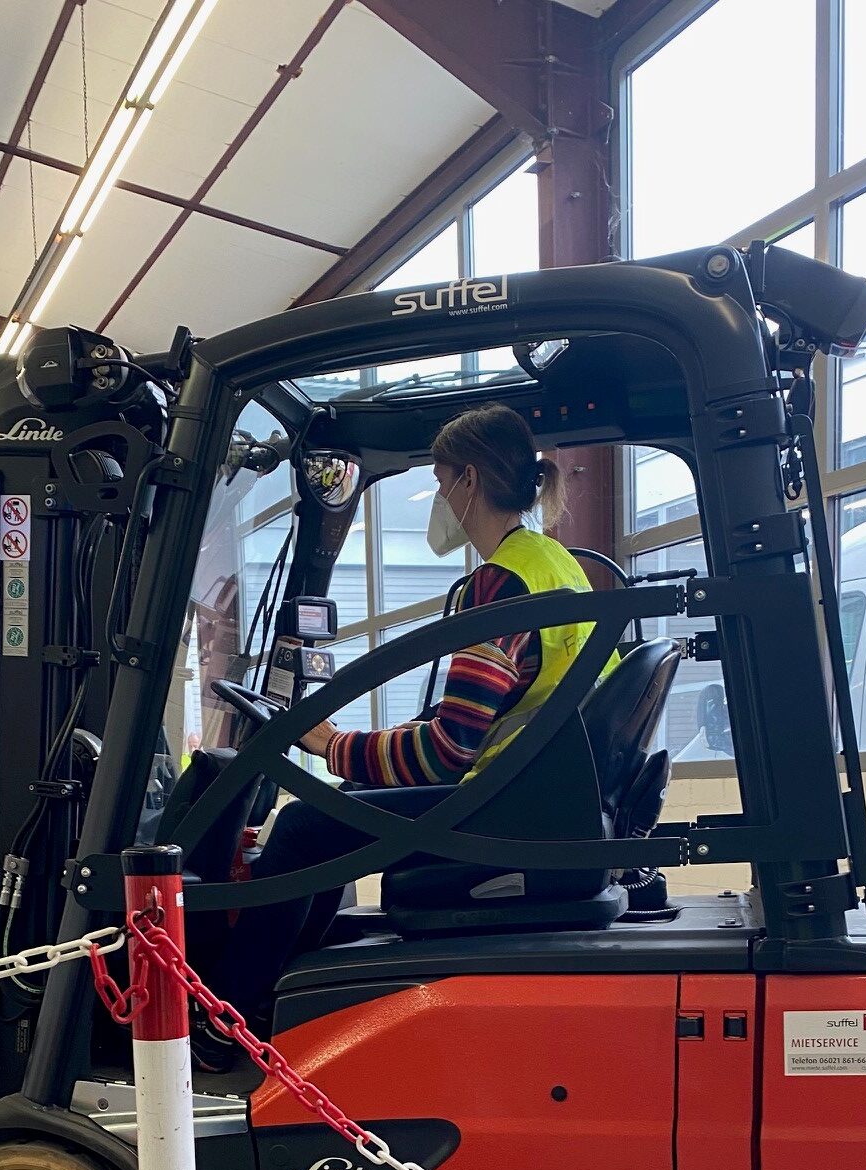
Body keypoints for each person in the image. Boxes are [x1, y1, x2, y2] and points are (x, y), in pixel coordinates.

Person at [198, 402, 619, 1059]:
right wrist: (356, 756)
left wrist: (332, 745)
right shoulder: (552, 564)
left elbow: (447, 749)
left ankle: (224, 1030)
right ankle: (287, 1004)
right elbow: (470, 727)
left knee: (302, 828)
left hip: (503, 816)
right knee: (333, 813)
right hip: (532, 804)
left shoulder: (501, 584)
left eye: (442, 481)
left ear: (470, 482)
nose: (440, 500)